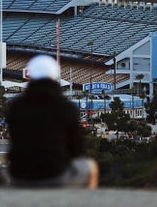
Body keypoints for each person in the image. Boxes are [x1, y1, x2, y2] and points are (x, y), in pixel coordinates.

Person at [6, 55, 99, 188]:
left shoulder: (16, 106)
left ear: (30, 76)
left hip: (21, 176)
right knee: (90, 167)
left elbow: (13, 142)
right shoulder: (66, 108)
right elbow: (76, 150)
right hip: (56, 175)